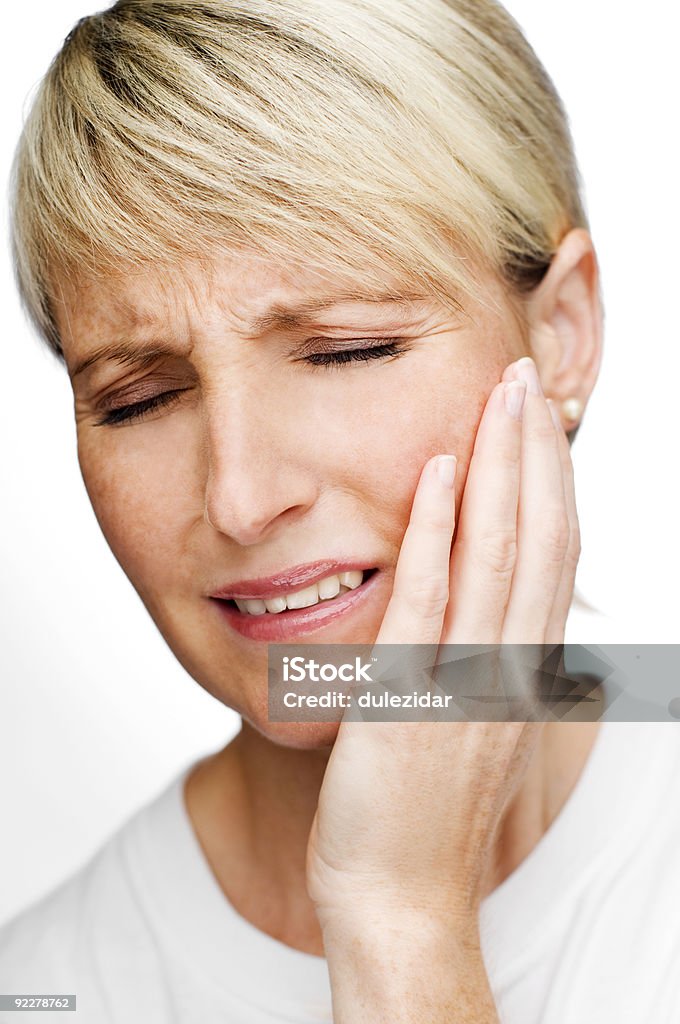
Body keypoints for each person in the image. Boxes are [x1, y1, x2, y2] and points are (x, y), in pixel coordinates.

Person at [2, 1, 679, 1021]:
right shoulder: (50, 988)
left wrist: (402, 926)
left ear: (562, 331)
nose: (239, 495)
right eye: (137, 398)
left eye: (345, 349)